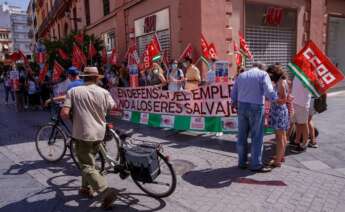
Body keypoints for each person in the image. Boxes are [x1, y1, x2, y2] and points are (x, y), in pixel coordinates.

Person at [60, 67, 118, 209]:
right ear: (97, 78)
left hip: (83, 133)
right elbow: (113, 106)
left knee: (85, 165)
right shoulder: (104, 92)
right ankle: (85, 188)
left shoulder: (73, 91)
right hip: (100, 132)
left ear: (83, 77)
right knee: (89, 160)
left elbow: (64, 113)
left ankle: (105, 190)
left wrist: (74, 114)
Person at [231, 62, 279, 172]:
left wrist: (234, 102)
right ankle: (255, 164)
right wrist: (275, 99)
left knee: (242, 135)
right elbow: (269, 91)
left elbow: (234, 92)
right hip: (256, 106)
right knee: (257, 136)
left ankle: (242, 162)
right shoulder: (263, 74)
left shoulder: (241, 75)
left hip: (242, 105)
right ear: (262, 68)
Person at [265, 65, 289, 168]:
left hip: (279, 111)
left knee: (279, 137)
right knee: (281, 135)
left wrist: (273, 99)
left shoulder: (280, 83)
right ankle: (280, 156)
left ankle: (277, 161)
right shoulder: (283, 81)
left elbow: (283, 99)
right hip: (280, 110)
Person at [290, 77, 311, 153]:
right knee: (297, 123)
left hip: (302, 103)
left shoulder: (309, 76)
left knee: (303, 124)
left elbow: (309, 86)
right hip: (294, 101)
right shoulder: (297, 74)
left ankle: (304, 144)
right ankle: (297, 141)